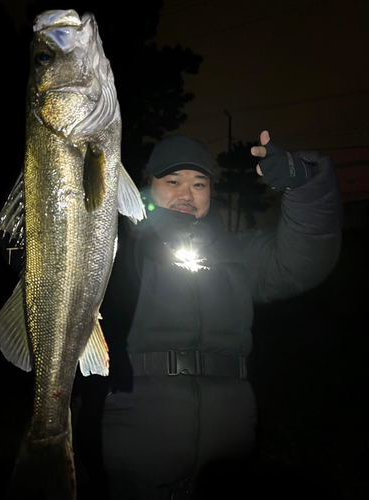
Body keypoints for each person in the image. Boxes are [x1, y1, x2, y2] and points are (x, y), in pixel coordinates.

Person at [76, 131, 342, 499]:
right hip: (133, 433)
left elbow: (304, 264)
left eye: (199, 183)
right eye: (173, 181)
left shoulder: (237, 250)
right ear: (145, 186)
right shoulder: (112, 247)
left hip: (229, 448)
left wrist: (306, 186)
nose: (187, 193)